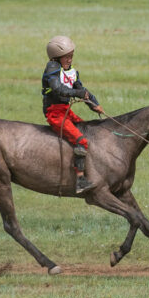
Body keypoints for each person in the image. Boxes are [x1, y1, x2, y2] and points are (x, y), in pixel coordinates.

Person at [42, 36, 105, 193]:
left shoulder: (71, 72)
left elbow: (84, 91)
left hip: (66, 111)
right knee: (82, 141)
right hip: (54, 113)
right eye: (67, 57)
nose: (70, 60)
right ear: (56, 57)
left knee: (87, 131)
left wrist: (95, 105)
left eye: (72, 56)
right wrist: (78, 93)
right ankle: (80, 181)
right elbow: (58, 89)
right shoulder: (52, 68)